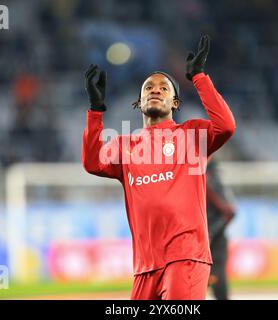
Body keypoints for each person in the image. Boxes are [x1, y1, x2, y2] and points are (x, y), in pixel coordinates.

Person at [82, 34, 236, 300]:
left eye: (164, 88)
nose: (155, 90)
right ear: (139, 103)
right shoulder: (124, 145)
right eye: (148, 88)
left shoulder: (191, 136)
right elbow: (92, 162)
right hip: (145, 266)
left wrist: (199, 77)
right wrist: (96, 111)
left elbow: (226, 126)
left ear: (175, 103)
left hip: (186, 256)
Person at [206, 156, 236, 300]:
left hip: (214, 241)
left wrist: (210, 231)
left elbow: (229, 211)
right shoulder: (208, 177)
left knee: (216, 280)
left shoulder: (210, 180)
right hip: (204, 239)